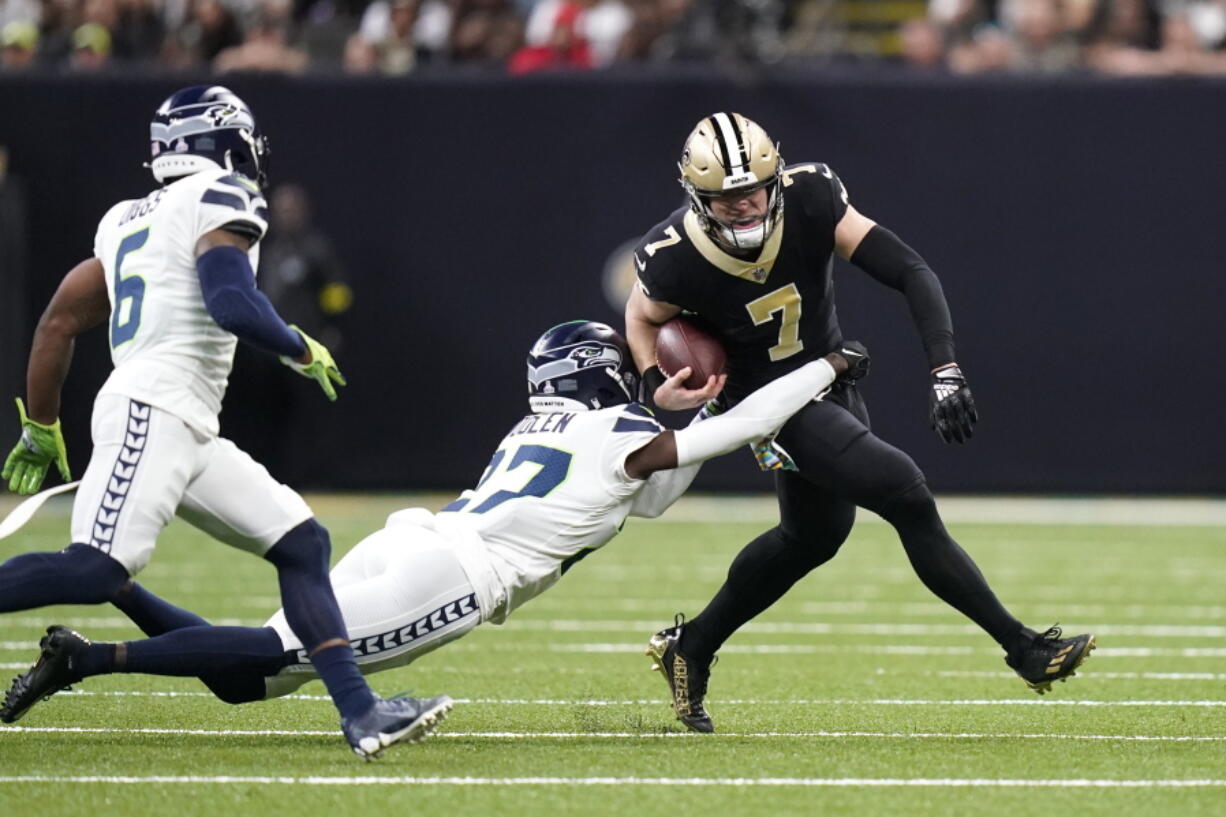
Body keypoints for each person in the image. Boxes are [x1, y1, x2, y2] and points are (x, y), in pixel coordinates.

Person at [1, 321, 862, 718]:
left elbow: (648, 493)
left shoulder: (544, 425)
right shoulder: (621, 434)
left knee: (248, 673)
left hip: (415, 539)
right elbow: (740, 426)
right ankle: (85, 660)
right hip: (456, 575)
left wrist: (673, 419)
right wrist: (824, 364)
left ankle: (103, 624)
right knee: (273, 656)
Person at [0, 86, 447, 759]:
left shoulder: (126, 217)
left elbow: (59, 319)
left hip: (186, 422)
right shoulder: (221, 195)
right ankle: (360, 709)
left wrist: (41, 425)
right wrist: (299, 345)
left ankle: (362, 713)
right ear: (219, 141)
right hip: (156, 405)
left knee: (302, 542)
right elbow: (231, 299)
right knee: (93, 569)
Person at [625, 112, 1094, 733]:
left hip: (827, 381)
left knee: (813, 537)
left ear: (776, 177)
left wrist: (945, 368)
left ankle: (693, 646)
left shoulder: (813, 197)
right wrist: (663, 386)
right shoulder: (673, 254)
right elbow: (640, 316)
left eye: (753, 190)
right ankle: (1023, 647)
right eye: (725, 197)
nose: (743, 205)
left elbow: (910, 271)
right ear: (697, 197)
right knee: (905, 491)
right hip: (766, 405)